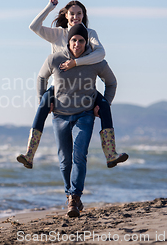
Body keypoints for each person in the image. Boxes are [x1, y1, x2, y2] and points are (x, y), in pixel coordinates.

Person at [17, 0, 128, 169]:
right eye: (72, 13)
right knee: (42, 106)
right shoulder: (58, 34)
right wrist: (49, 7)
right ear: (66, 15)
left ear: (84, 16)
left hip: (84, 87)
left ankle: (111, 154)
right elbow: (33, 26)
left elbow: (101, 54)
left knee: (104, 105)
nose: (76, 17)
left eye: (79, 13)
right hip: (59, 88)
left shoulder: (90, 33)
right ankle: (29, 154)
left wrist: (76, 63)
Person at [37, 24, 117, 217]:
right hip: (60, 115)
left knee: (79, 155)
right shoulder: (55, 59)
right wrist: (45, 101)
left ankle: (74, 197)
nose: (78, 44)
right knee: (65, 160)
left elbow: (112, 82)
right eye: (74, 40)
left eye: (81, 40)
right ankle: (71, 195)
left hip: (85, 114)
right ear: (68, 41)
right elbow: (41, 78)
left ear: (86, 42)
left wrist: (104, 104)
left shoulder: (94, 61)